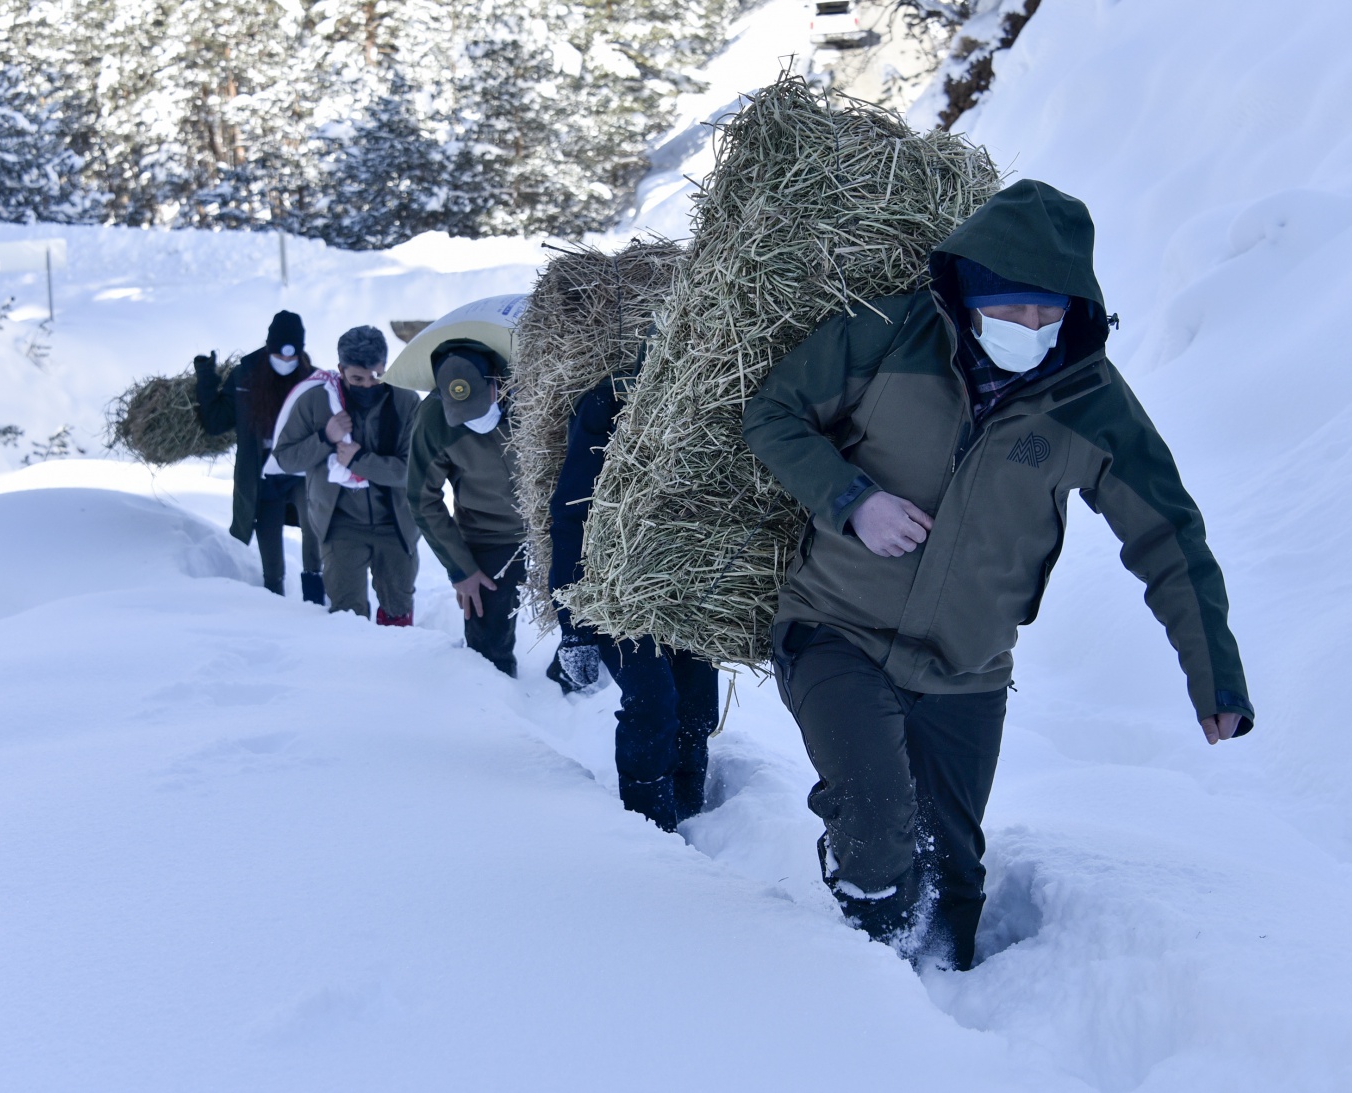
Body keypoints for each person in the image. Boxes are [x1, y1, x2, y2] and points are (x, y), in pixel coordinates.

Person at [742, 180, 1254, 971]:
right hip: (834, 629)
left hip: (966, 672)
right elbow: (772, 413)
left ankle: (941, 1011)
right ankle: (860, 990)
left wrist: (1214, 674)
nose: (1033, 329)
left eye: (1050, 313)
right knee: (878, 829)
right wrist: (854, 499)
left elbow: (1167, 533)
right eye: (1013, 310)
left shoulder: (1089, 400)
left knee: (953, 890)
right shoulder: (887, 337)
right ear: (971, 294)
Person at [549, 371, 718, 830]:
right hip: (613, 590)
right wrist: (573, 629)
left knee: (699, 704)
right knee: (653, 700)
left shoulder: (713, 389)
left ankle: (689, 815)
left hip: (686, 582)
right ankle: (647, 830)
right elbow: (570, 515)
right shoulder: (607, 404)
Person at [270, 325, 421, 624]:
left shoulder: (406, 402)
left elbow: (412, 471)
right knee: (348, 616)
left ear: (386, 366)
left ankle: (397, 665)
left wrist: (360, 461)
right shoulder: (317, 401)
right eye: (357, 379)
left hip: (396, 524)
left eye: (377, 376)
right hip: (340, 525)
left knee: (398, 609)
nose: (367, 385)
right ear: (341, 370)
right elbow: (285, 458)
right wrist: (324, 438)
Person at [406, 340, 526, 675]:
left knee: (583, 626)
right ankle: (496, 703)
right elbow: (421, 498)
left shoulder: (534, 391)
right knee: (488, 641)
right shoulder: (432, 419)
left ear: (496, 382)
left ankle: (575, 695)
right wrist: (462, 570)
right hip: (489, 534)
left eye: (479, 406)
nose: (475, 420)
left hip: (554, 524)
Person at [194, 310, 325, 603]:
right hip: (261, 476)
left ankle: (315, 596)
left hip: (301, 472)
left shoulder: (313, 380)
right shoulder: (245, 377)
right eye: (280, 354)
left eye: (293, 356)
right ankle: (273, 602)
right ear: (269, 348)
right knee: (269, 546)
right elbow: (216, 422)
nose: (286, 361)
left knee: (313, 525)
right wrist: (206, 377)